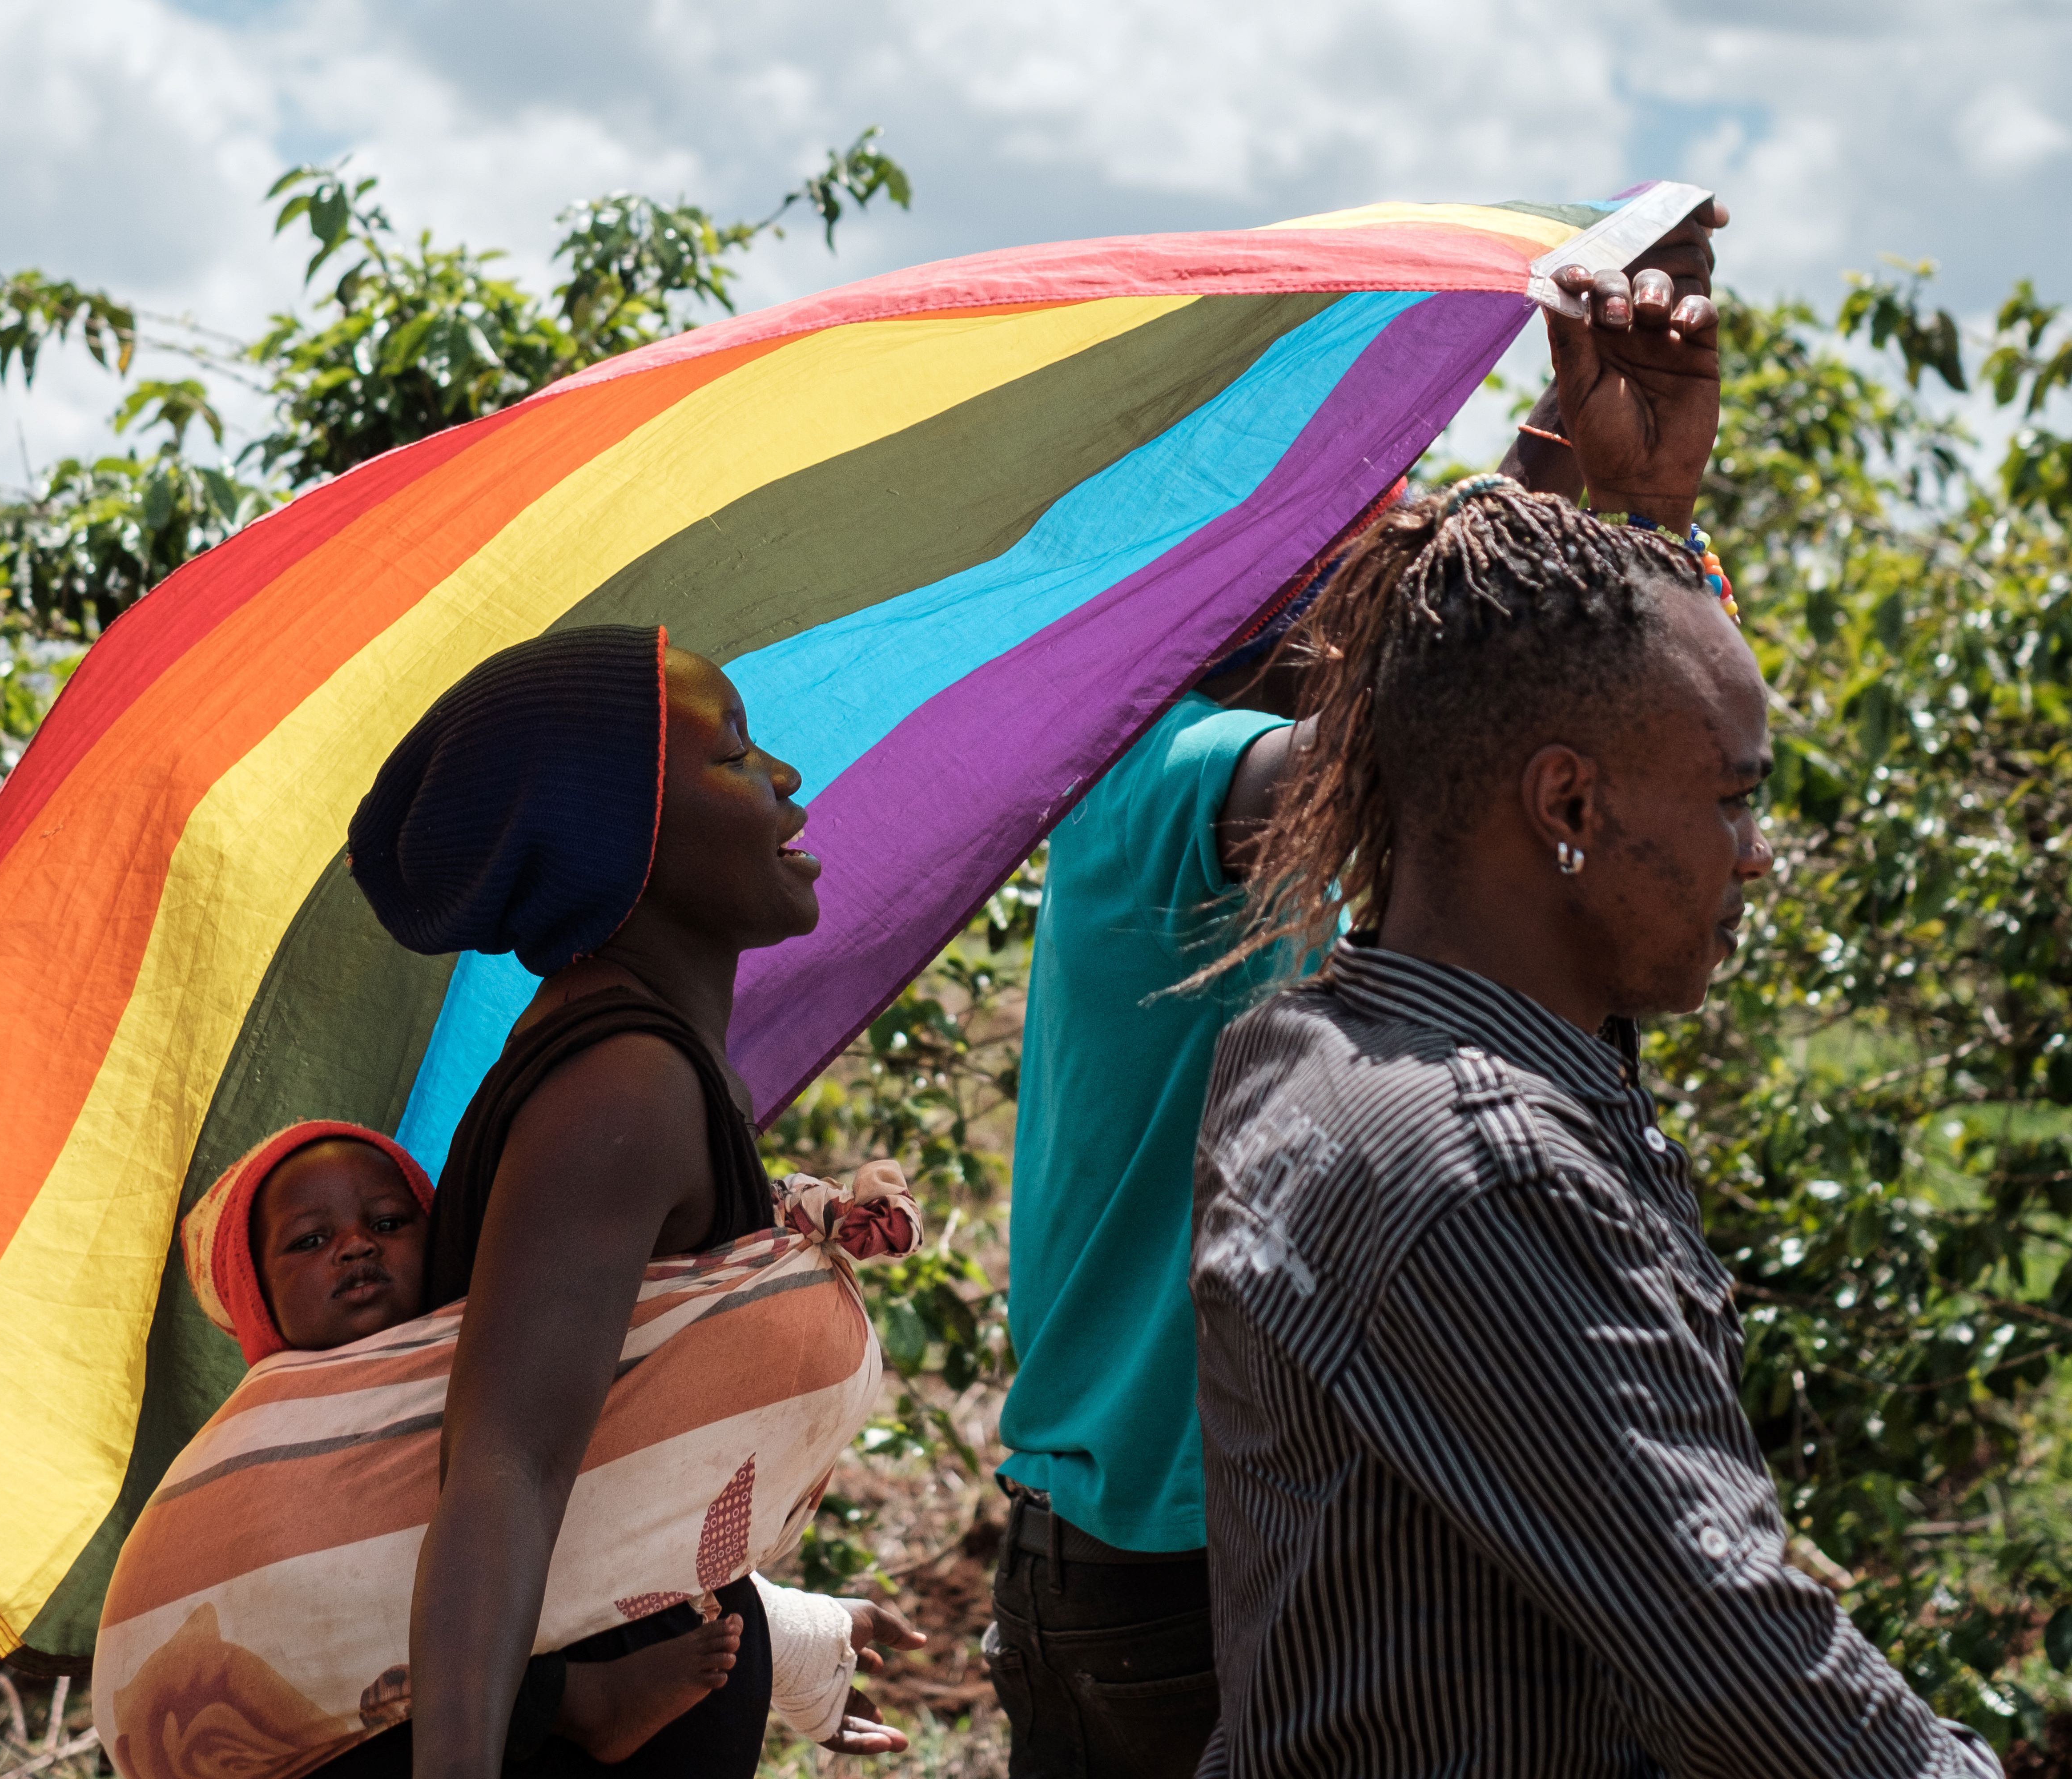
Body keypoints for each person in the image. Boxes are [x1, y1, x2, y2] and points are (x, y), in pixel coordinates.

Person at [988, 203, 1732, 1777]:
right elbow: (1436, 765)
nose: (1385, 572)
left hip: (1186, 1541)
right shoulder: (1163, 782)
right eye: (1363, 545)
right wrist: (1604, 505)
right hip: (1166, 1576)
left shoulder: (1230, 770)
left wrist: (1620, 494)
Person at [1186, 361, 2001, 1769]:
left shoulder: (1316, 1046)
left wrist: (1655, 514)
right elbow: (1735, 1656)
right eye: (1736, 800)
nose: (1758, 854)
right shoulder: (1476, 1167)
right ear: (1567, 801)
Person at [340, 624, 928, 1778]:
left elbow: (611, 1473)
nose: (787, 780)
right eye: (735, 754)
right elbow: (503, 1468)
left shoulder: (651, 1065)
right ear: (624, 843)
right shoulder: (624, 1086)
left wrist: (786, 1632)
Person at [165, 1117, 897, 1764]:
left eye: (389, 1223)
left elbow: (623, 1531)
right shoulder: (259, 1457)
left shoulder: (497, 1360)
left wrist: (799, 1634)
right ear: (254, 1292)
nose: (356, 1246)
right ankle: (571, 1699)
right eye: (311, 1240)